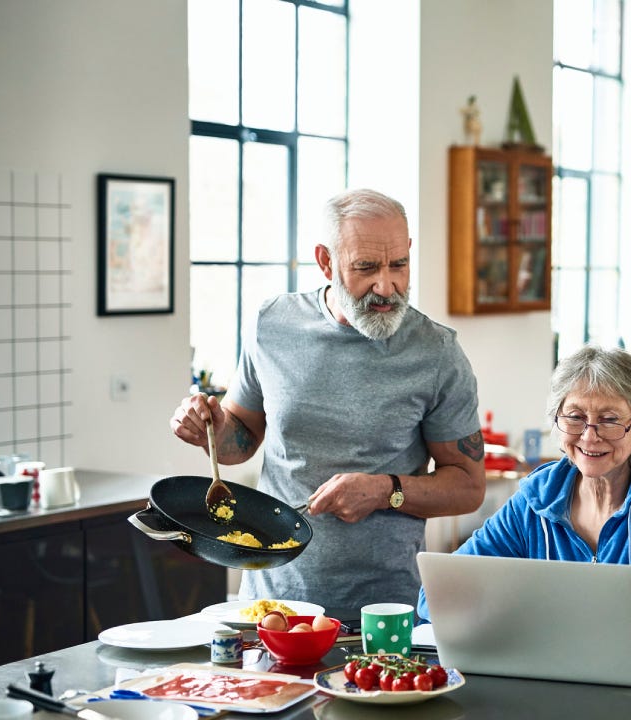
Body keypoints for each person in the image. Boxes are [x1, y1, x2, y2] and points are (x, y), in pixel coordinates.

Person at [169, 188, 486, 611]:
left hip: (383, 610)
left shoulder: (437, 353)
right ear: (325, 261)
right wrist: (210, 428)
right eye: (366, 267)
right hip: (271, 604)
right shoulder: (272, 324)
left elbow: (468, 486)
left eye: (399, 265)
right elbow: (240, 441)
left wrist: (384, 490)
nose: (386, 285)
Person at [418, 345, 631, 652]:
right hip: (580, 676)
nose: (589, 435)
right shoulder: (537, 497)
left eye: (610, 419)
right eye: (574, 416)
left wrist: (539, 618)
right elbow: (435, 596)